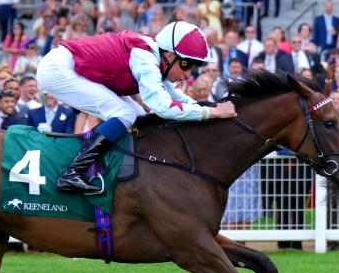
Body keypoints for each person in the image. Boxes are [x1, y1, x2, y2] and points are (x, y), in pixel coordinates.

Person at [36, 20, 237, 194]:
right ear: (169, 56)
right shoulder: (145, 59)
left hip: (74, 68)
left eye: (193, 67)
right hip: (58, 70)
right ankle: (72, 173)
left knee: (139, 116)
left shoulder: (158, 57)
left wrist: (213, 109)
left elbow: (177, 97)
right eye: (186, 64)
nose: (188, 73)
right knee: (124, 113)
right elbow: (164, 107)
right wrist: (211, 112)